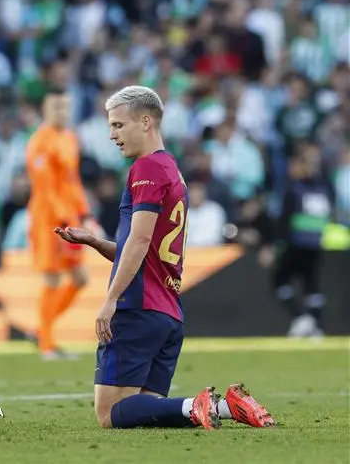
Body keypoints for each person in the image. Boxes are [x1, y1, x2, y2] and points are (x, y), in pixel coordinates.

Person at [54, 85, 274, 430]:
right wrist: (96, 242)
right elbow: (147, 251)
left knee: (109, 413)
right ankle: (225, 407)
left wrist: (111, 300)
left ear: (145, 122)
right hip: (167, 312)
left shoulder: (146, 168)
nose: (112, 135)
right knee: (150, 410)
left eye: (118, 125)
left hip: (138, 307)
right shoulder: (171, 168)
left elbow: (140, 241)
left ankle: (198, 404)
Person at [25, 88, 94, 360]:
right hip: (48, 218)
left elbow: (72, 180)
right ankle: (47, 345)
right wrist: (63, 216)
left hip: (70, 216)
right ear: (44, 110)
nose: (61, 112)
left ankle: (41, 329)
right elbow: (44, 188)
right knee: (52, 278)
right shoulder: (39, 142)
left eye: (65, 107)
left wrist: (84, 211)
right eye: (56, 107)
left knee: (80, 278)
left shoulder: (69, 138)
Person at [272, 153, 333, 338]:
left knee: (280, 279)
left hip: (297, 243)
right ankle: (316, 325)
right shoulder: (324, 188)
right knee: (311, 284)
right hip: (316, 243)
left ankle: (301, 318)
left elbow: (285, 219)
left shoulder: (294, 189)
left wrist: (276, 245)